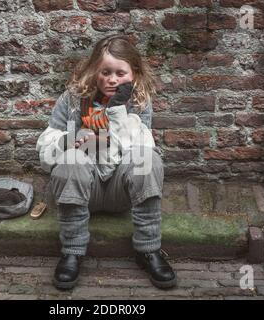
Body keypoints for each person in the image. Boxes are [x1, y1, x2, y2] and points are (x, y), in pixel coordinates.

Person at [36, 34, 177, 290]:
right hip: (81, 188)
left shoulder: (138, 102)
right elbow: (46, 152)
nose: (112, 79)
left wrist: (116, 111)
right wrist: (73, 140)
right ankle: (72, 252)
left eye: (120, 73)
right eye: (106, 72)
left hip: (120, 191)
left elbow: (141, 148)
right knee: (70, 159)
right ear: (95, 71)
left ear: (133, 73)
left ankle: (149, 249)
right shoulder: (73, 99)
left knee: (147, 159)